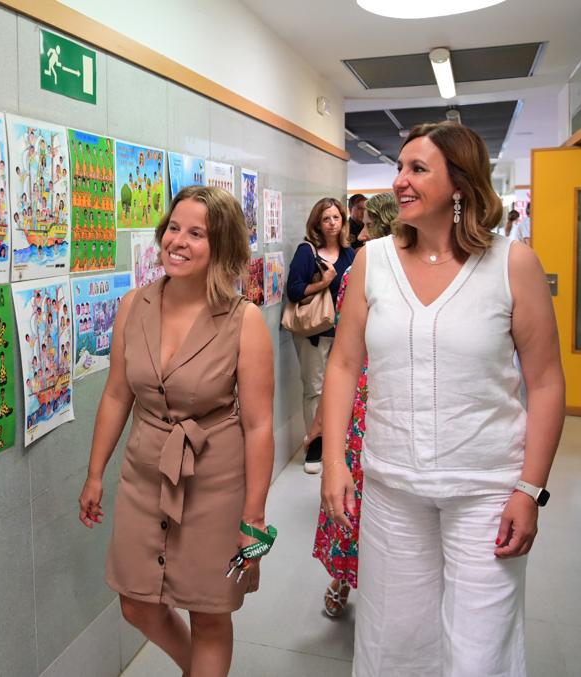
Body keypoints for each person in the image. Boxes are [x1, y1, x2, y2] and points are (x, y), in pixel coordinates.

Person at [321, 121, 565, 675]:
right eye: (399, 167)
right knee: (394, 643)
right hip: (392, 486)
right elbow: (342, 364)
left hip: (485, 489)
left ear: (460, 184)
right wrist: (335, 461)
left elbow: (547, 381)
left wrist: (530, 488)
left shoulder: (512, 264)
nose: (399, 181)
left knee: (481, 652)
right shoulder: (373, 262)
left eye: (417, 168)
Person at [78, 186, 275, 675]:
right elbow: (117, 394)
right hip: (145, 472)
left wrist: (253, 519)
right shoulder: (133, 306)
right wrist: (95, 472)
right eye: (173, 228)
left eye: (196, 233)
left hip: (216, 480)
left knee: (209, 611)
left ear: (222, 246)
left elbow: (259, 423)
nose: (178, 241)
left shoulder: (243, 321)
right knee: (137, 603)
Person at [305, 192, 398, 619]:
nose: (358, 230)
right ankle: (342, 579)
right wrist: (325, 426)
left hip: (394, 400)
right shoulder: (364, 269)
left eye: (366, 223)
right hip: (362, 400)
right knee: (352, 497)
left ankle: (384, 586)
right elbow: (343, 357)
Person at [286, 197, 355, 472]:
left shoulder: (351, 253)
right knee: (315, 390)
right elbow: (294, 290)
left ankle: (336, 446)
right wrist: (324, 283)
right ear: (317, 222)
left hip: (343, 333)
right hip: (314, 332)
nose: (332, 223)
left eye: (336, 218)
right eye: (326, 218)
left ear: (343, 220)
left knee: (340, 389)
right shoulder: (307, 252)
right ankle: (315, 446)